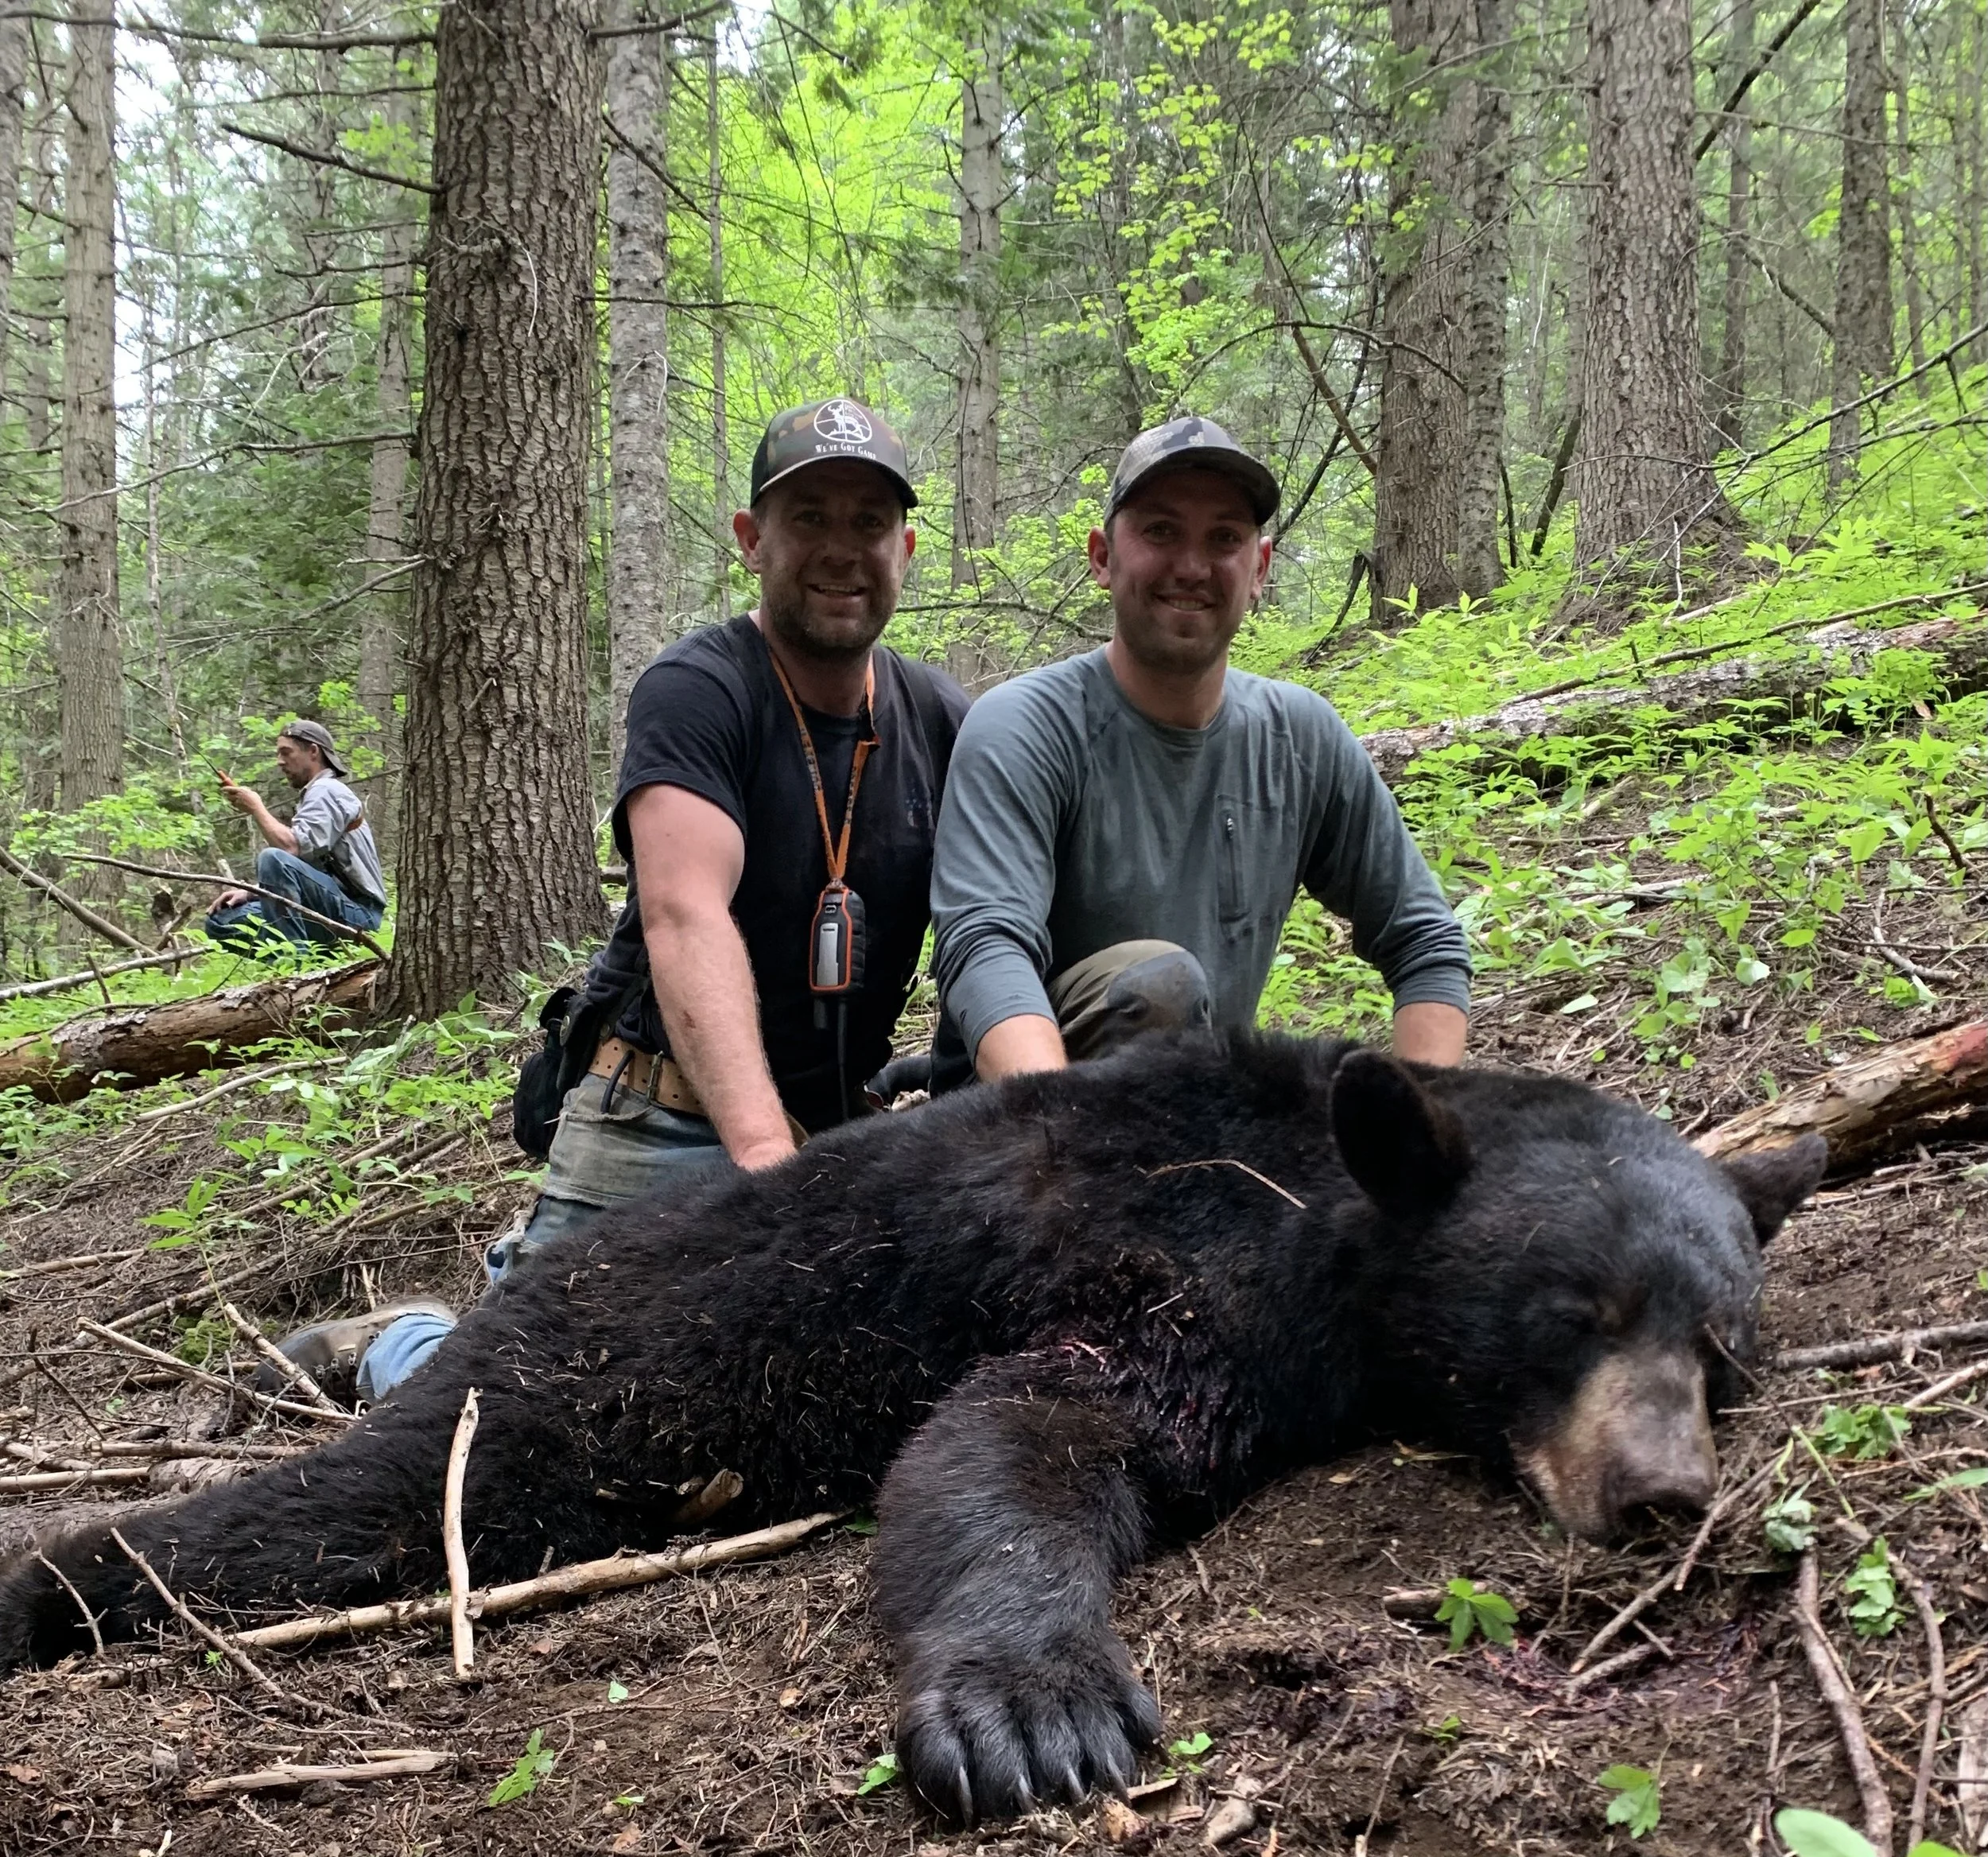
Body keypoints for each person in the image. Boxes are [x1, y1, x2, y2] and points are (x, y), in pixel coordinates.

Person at [274, 398, 971, 1406]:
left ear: (904, 547)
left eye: (868, 523)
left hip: (839, 1139)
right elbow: (686, 915)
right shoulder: (700, 688)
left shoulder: (943, 720)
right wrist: (773, 1174)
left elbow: (994, 928)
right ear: (750, 540)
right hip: (663, 1110)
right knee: (508, 1416)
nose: (840, 549)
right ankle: (404, 1342)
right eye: (808, 517)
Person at [929, 414, 1471, 1090]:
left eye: (1224, 538)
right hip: (1001, 1130)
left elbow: (1425, 938)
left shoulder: (1298, 736)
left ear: (1259, 569)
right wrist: (1055, 1140)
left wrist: (1418, 1129)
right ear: (1103, 556)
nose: (1191, 566)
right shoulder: (1025, 726)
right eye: (1160, 531)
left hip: (1188, 1112)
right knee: (1163, 985)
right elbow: (986, 948)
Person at [204, 720, 387, 955]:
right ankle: (315, 956)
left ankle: (294, 964)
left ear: (313, 751)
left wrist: (256, 807)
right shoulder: (316, 795)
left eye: (286, 753)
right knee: (221, 921)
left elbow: (290, 849)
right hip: (331, 907)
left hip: (359, 916)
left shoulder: (327, 791)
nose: (280, 762)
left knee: (273, 858)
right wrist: (252, 892)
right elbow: (309, 867)